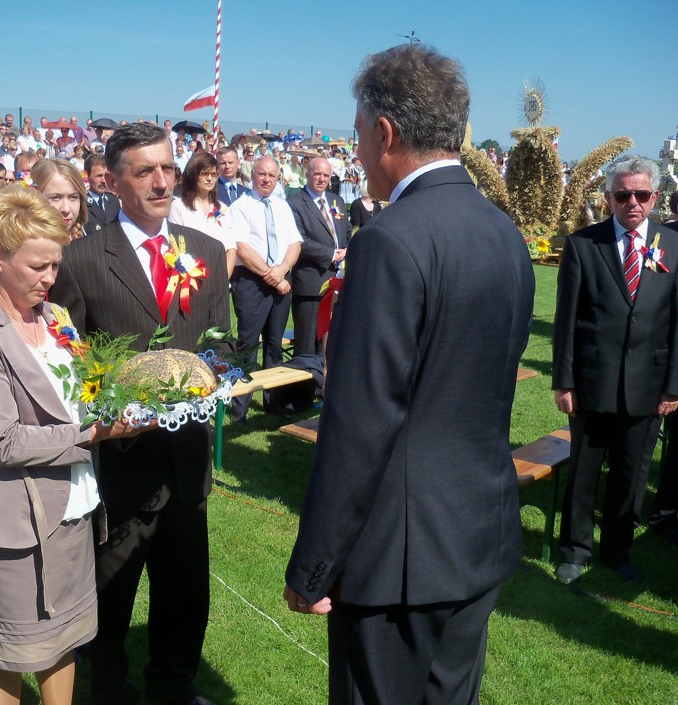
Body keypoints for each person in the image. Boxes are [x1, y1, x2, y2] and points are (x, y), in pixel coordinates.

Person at [283, 45, 535, 705]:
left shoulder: (389, 240)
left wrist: (313, 565)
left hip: (397, 558)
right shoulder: (503, 232)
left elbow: (361, 421)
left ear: (386, 132)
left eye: (358, 133)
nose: (357, 151)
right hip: (477, 535)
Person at [0, 186, 151, 705]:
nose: (50, 278)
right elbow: (7, 442)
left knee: (64, 640)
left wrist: (123, 406)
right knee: (10, 652)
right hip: (12, 521)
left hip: (72, 507)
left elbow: (84, 394)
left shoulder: (56, 318)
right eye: (37, 266)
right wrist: (97, 433)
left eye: (55, 265)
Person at [49, 122, 229, 705]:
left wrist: (212, 377)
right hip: (120, 462)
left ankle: (174, 684)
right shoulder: (80, 259)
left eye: (168, 168)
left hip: (187, 459)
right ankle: (107, 686)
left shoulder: (204, 250)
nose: (161, 182)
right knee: (111, 589)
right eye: (145, 170)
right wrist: (113, 405)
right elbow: (66, 359)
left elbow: (224, 342)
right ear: (112, 181)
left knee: (185, 587)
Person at [552, 155, 678, 584]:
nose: (632, 203)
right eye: (622, 195)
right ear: (608, 198)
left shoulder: (672, 244)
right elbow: (566, 319)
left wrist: (673, 386)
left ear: (655, 197)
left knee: (631, 474)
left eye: (640, 194)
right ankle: (574, 549)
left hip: (649, 383)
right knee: (584, 471)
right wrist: (564, 381)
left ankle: (618, 550)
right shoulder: (584, 244)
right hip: (593, 381)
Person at [227, 155, 303, 420]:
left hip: (281, 281)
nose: (267, 179)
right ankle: (240, 408)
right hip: (251, 282)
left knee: (274, 344)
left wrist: (282, 272)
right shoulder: (240, 206)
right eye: (262, 174)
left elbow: (295, 243)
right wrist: (274, 276)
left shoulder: (282, 207)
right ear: (252, 175)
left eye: (272, 175)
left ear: (278, 178)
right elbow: (242, 248)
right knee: (248, 345)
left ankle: (274, 403)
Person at [287, 157, 351, 356]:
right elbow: (298, 241)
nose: (322, 179)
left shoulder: (336, 201)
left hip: (337, 284)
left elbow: (347, 232)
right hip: (310, 286)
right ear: (307, 174)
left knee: (332, 346)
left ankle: (325, 377)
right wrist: (331, 254)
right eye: (317, 174)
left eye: (326, 175)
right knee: (307, 347)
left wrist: (347, 250)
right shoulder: (294, 203)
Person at [168, 151, 239, 277]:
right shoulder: (178, 206)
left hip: (219, 277)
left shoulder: (223, 209)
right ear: (193, 175)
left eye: (213, 174)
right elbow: (175, 249)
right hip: (190, 279)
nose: (210, 178)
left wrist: (223, 280)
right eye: (204, 174)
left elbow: (231, 250)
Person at [30, 158, 88, 241]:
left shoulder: (91, 241)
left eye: (73, 197)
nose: (66, 209)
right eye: (55, 198)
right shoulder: (18, 247)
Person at [83, 153, 119, 234]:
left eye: (106, 176)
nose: (103, 181)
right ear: (87, 176)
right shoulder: (81, 205)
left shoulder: (114, 201)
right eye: (99, 176)